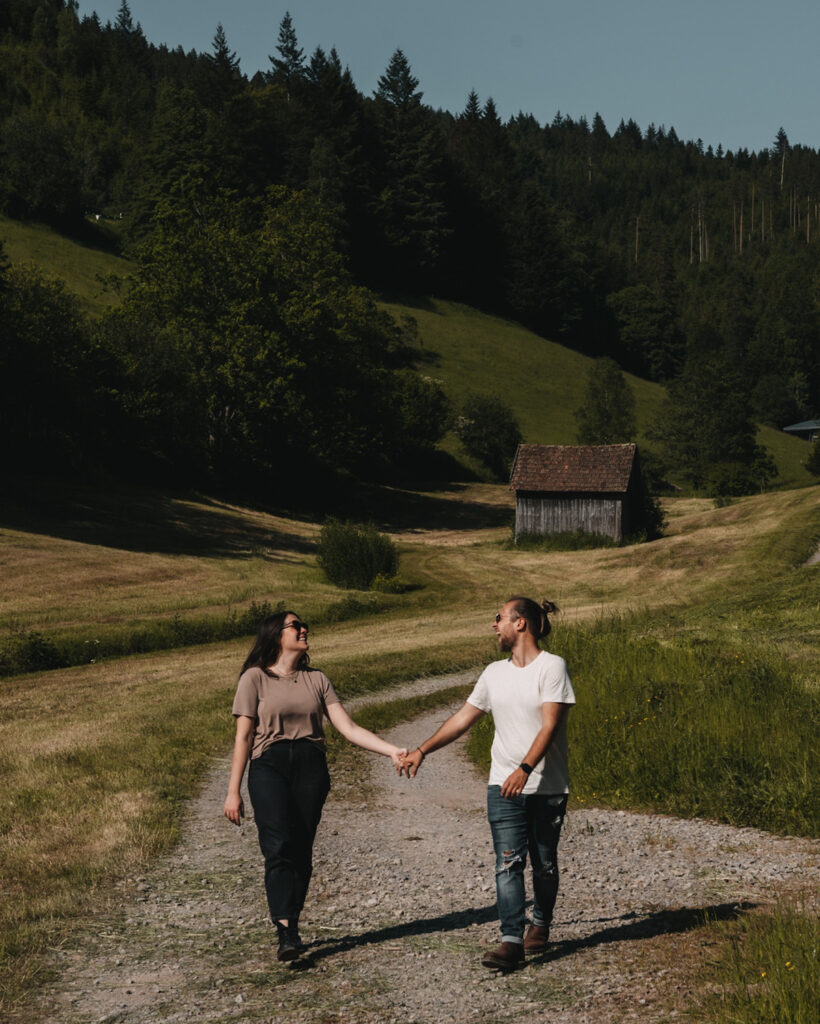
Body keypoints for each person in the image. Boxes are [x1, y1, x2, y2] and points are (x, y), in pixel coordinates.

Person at [402, 596, 575, 971]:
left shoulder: (552, 667)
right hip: (502, 785)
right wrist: (422, 750)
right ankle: (511, 941)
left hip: (545, 785)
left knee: (544, 864)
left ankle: (541, 922)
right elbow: (463, 719)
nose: (493, 625)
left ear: (521, 624)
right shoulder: (493, 673)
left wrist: (525, 769)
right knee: (508, 863)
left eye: (499, 618)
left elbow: (550, 725)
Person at [223, 610, 407, 962]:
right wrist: (233, 791)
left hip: (311, 766)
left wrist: (391, 751)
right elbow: (243, 737)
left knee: (302, 846)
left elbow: (348, 728)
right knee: (278, 844)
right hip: (269, 765)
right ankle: (286, 930)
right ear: (277, 634)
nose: (304, 629)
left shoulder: (317, 679)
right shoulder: (254, 678)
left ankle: (291, 918)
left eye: (303, 625)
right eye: (296, 625)